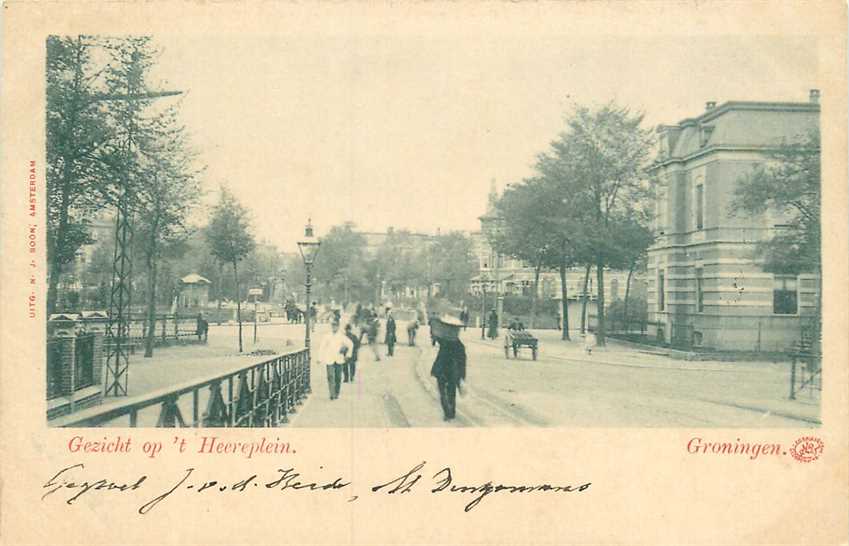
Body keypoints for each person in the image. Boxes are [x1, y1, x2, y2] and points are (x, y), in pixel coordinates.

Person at [430, 315, 466, 421]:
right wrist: (462, 377)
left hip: (441, 370)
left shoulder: (444, 341)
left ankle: (447, 412)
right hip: (452, 372)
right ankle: (452, 412)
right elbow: (462, 362)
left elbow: (435, 333)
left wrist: (436, 322)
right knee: (451, 392)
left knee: (442, 393)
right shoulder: (460, 346)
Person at [316, 319, 353, 400]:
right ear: (331, 326)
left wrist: (348, 355)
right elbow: (322, 347)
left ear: (338, 327)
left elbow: (350, 344)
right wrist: (319, 358)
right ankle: (332, 394)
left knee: (338, 377)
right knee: (330, 376)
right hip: (329, 359)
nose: (334, 327)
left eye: (336, 326)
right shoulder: (327, 336)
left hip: (339, 359)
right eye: (333, 326)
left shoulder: (342, 336)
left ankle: (336, 392)